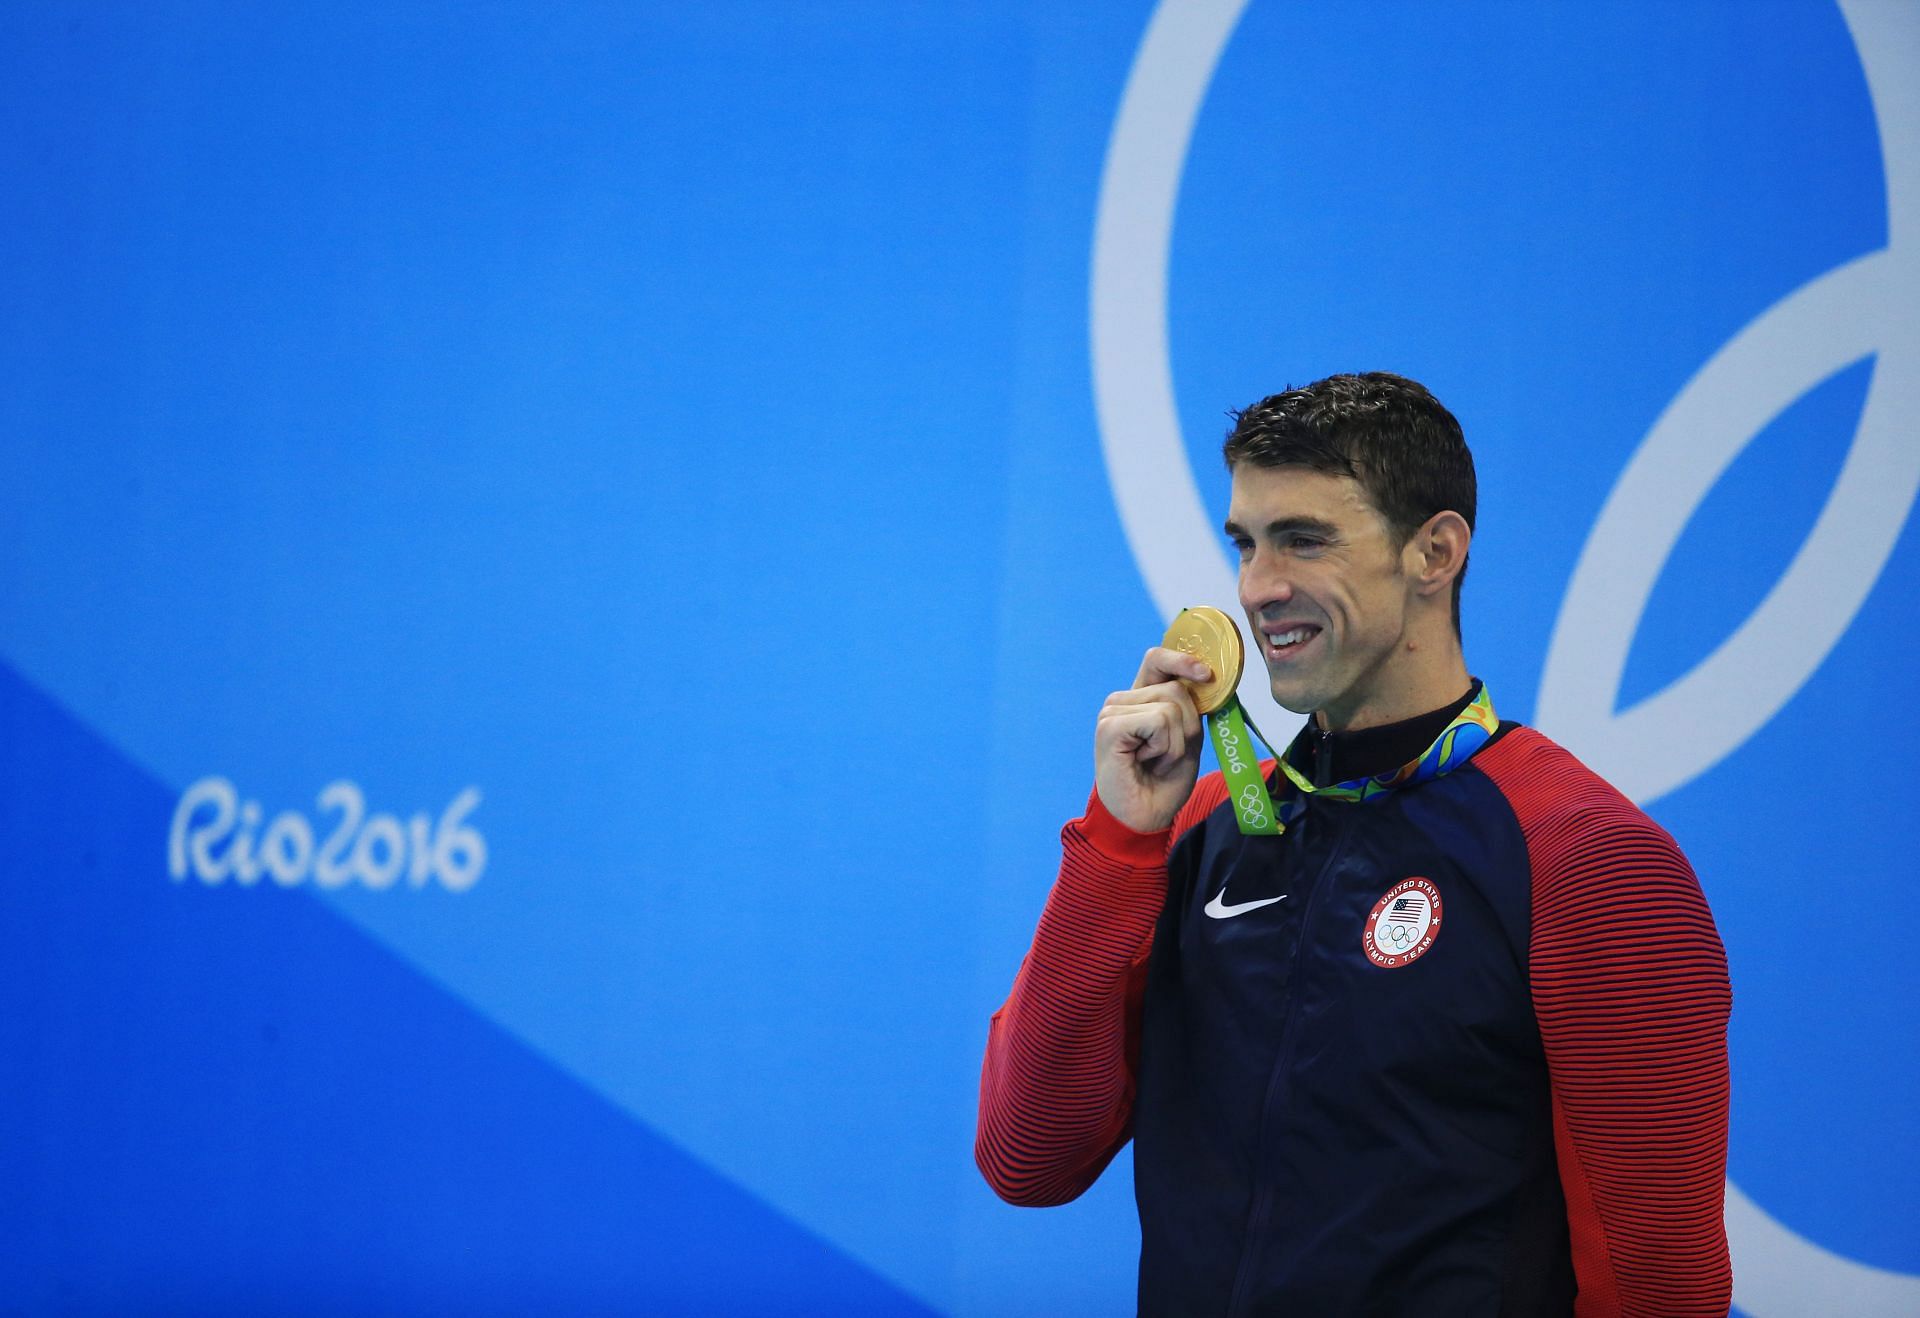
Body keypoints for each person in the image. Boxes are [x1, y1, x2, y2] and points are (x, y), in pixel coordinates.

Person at [975, 372, 1732, 1316]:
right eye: (1246, 544)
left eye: (1304, 540)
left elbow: (1661, 1280)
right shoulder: (1204, 829)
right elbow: (1027, 1155)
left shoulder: (1585, 860)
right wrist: (1120, 843)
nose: (1258, 589)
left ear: (1436, 553)